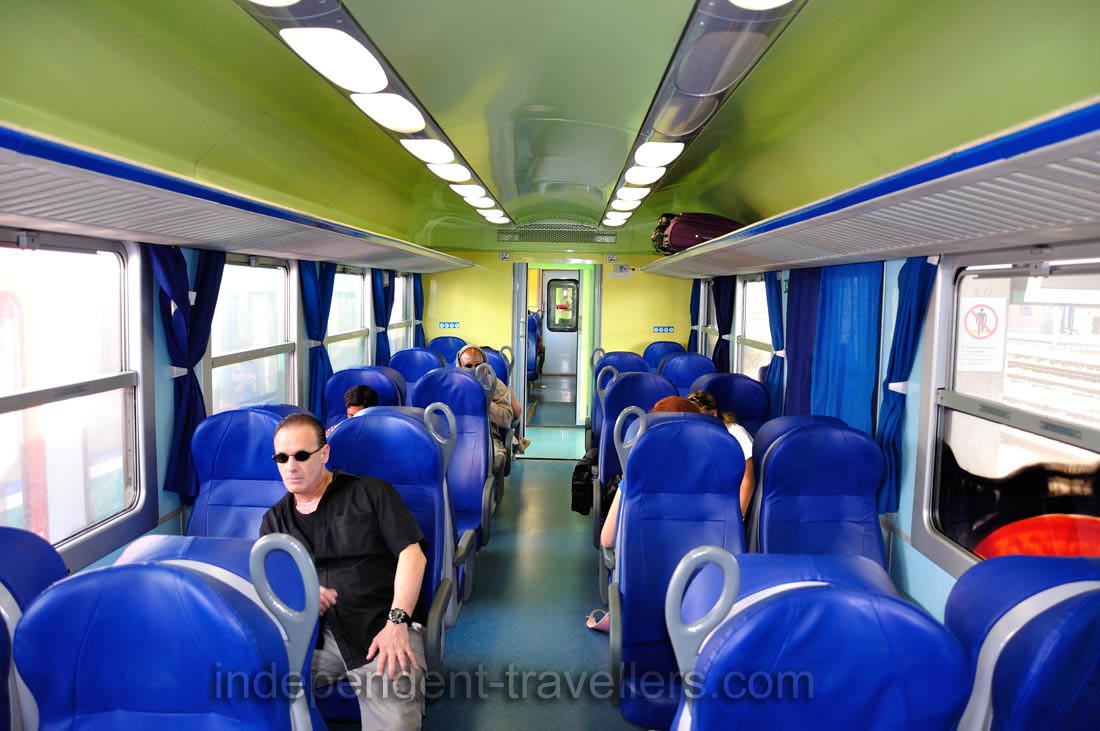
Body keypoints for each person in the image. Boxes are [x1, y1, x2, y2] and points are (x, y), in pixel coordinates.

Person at [260, 413, 428, 731]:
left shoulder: (371, 493)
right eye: (281, 457)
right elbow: (274, 583)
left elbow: (413, 555)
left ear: (324, 454)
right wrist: (302, 595)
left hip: (381, 628)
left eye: (301, 456)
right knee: (252, 685)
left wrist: (397, 622)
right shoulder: (274, 521)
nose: (290, 466)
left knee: (394, 723)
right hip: (314, 638)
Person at [587, 395, 700, 632]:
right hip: (701, 594)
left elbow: (607, 539)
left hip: (643, 589)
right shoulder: (717, 475)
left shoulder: (635, 479)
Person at [455, 345, 525, 468]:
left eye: (478, 365)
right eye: (468, 366)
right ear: (460, 365)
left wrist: (485, 402)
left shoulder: (495, 384)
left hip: (487, 437)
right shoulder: (450, 384)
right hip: (455, 436)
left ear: (485, 365)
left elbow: (506, 418)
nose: (474, 370)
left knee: (495, 457)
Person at [687, 390, 755, 516]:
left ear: (713, 413)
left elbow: (748, 479)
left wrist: (738, 518)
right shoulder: (693, 434)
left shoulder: (737, 434)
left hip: (733, 501)